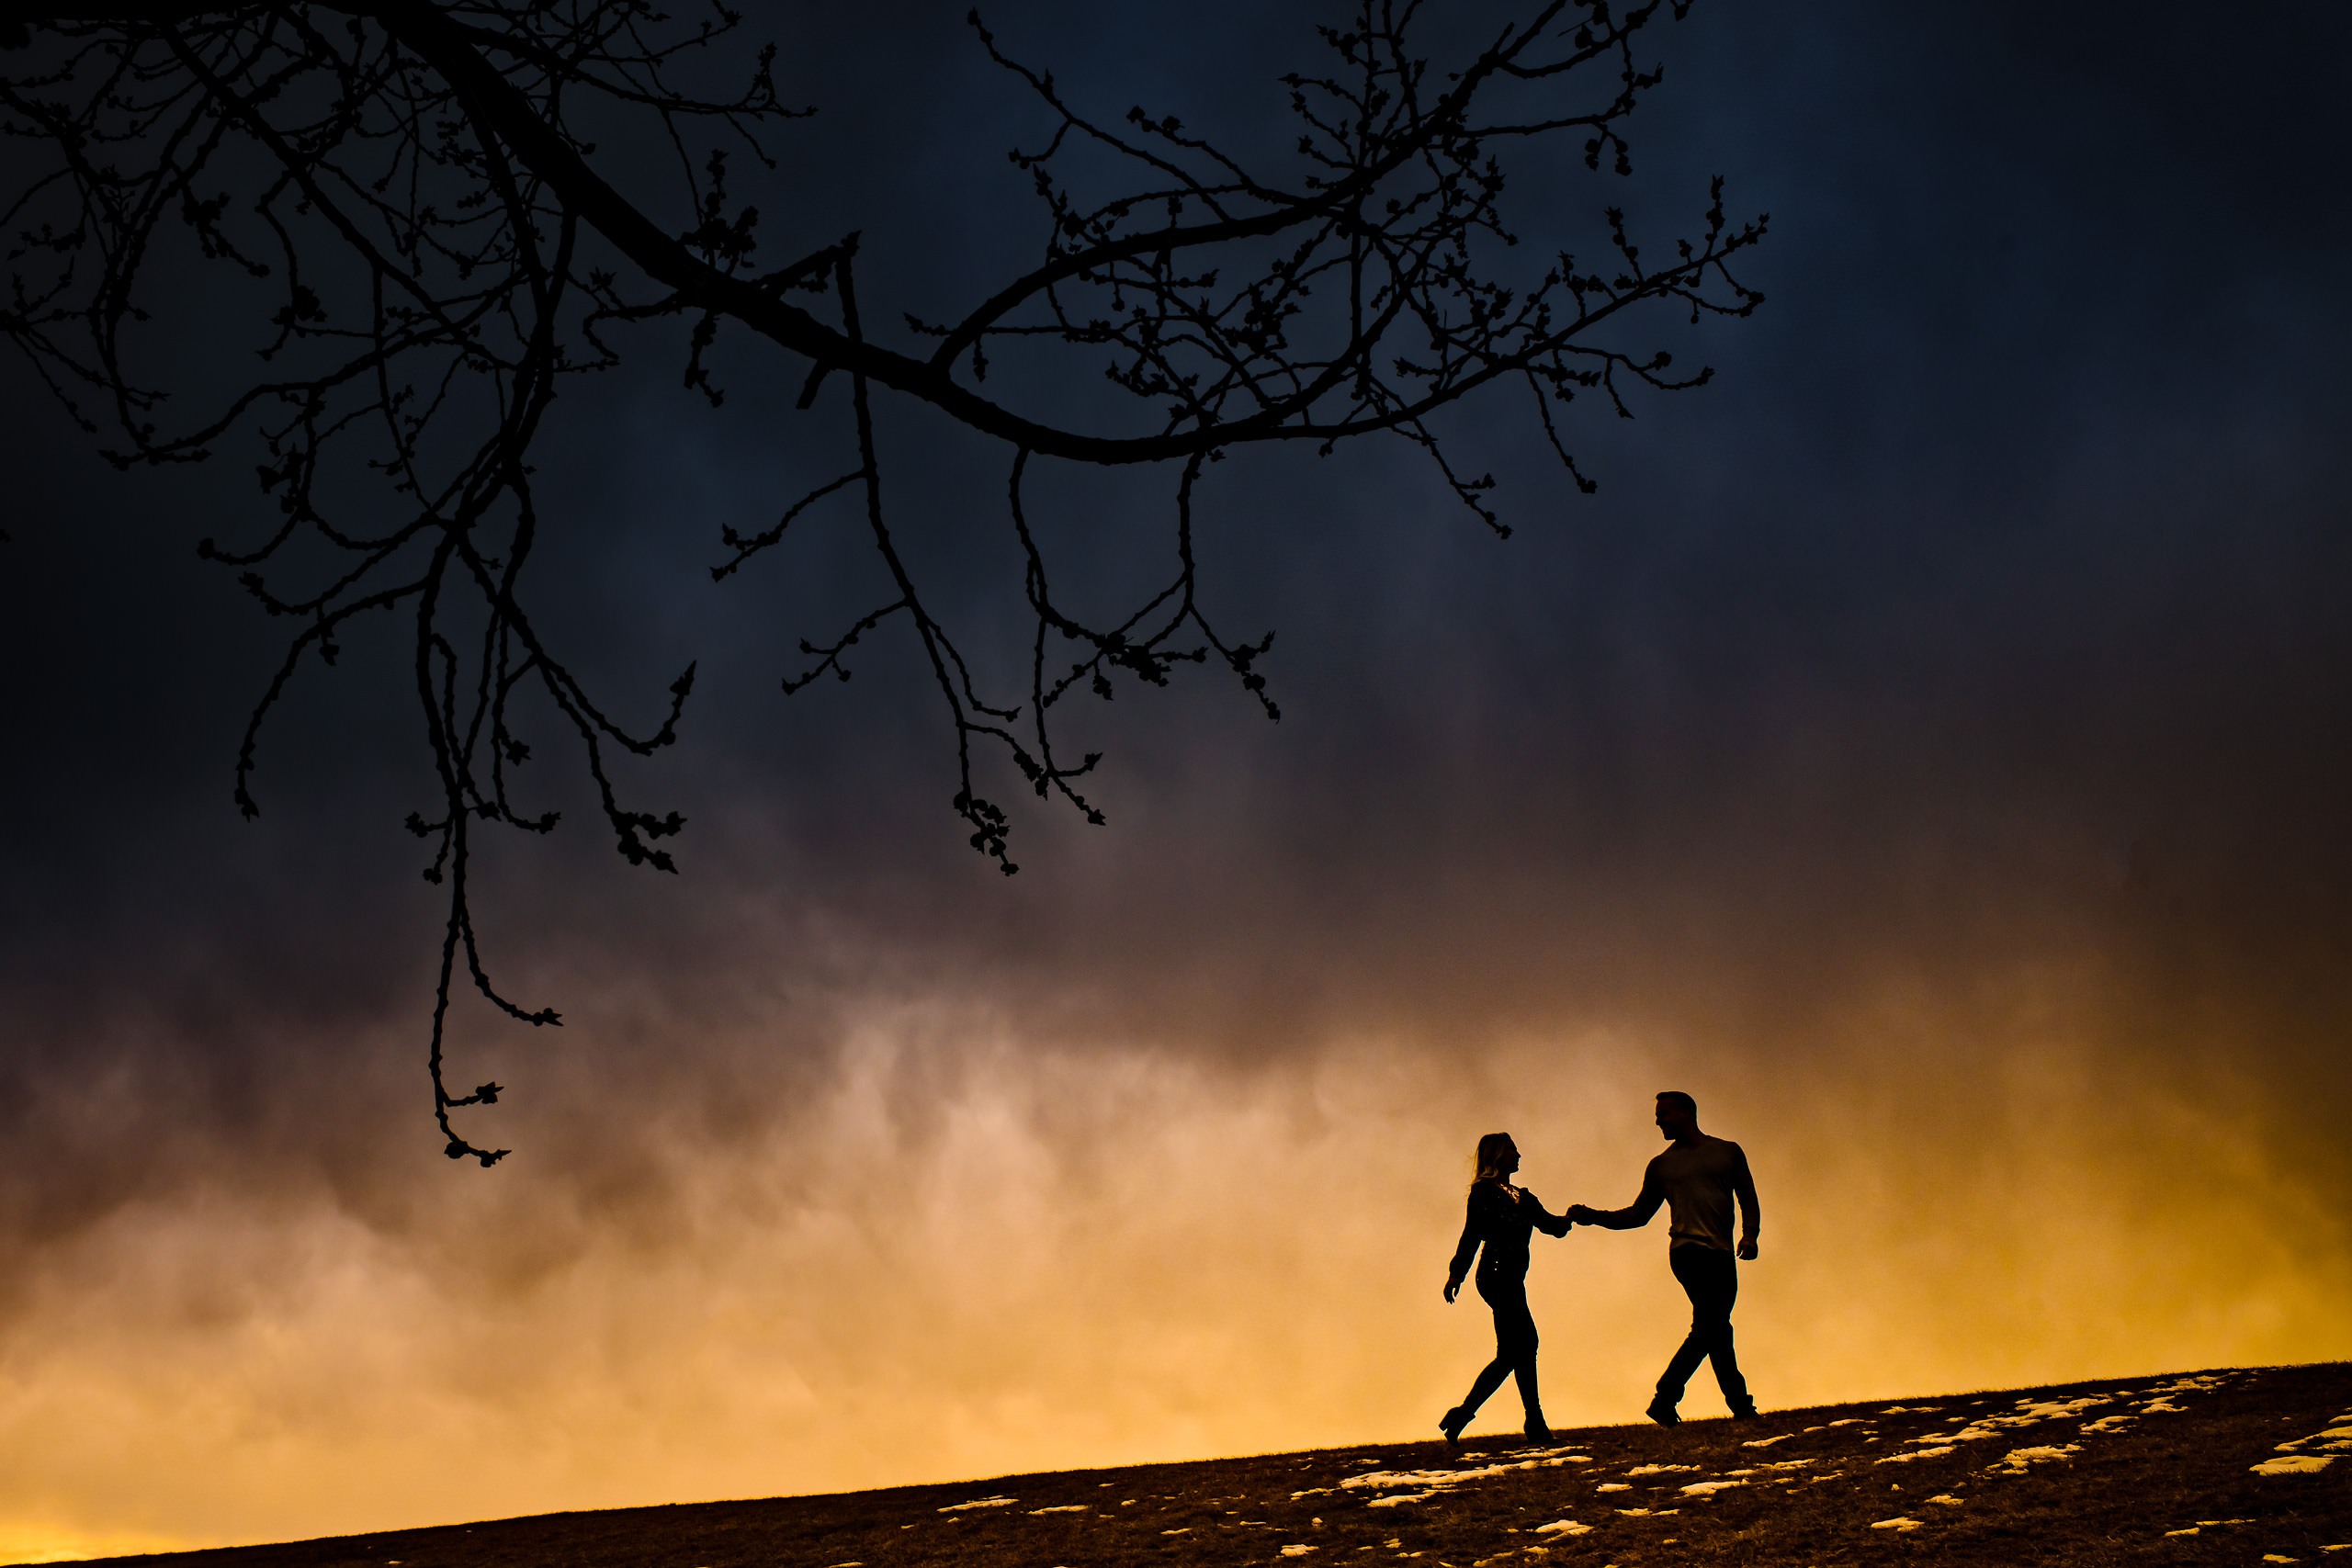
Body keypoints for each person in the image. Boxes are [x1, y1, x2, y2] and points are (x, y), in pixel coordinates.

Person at [1568, 1092, 1760, 1426]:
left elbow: (1748, 1196)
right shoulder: (1661, 1166)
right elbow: (1639, 1214)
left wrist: (1750, 1234)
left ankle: (1717, 1405)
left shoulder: (1728, 1152)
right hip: (1687, 1253)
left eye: (1665, 1114)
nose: (1658, 1121)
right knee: (1713, 1325)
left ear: (1686, 1113)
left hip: (1723, 1254)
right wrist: (1594, 1216)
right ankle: (1687, 1398)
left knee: (1713, 1328)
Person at [1441, 1132, 1572, 1444]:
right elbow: (1471, 1235)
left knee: (1514, 1352)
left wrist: (1572, 1218)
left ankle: (1462, 1415)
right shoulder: (1484, 1192)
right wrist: (1456, 1274)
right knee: (1526, 1343)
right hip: (1495, 1275)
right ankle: (1535, 1423)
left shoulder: (1523, 1197)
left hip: (1513, 1277)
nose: (1519, 1155)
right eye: (1513, 1149)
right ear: (1498, 1154)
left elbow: (1551, 1226)